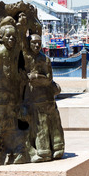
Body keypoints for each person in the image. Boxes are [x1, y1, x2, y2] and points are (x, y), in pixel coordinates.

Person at [24, 34, 65, 162]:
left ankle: (52, 149)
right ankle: (49, 150)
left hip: (44, 96)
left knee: (50, 123)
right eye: (34, 43)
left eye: (39, 43)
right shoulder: (25, 59)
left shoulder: (45, 59)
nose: (37, 45)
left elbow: (49, 78)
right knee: (43, 124)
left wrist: (36, 77)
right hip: (35, 97)